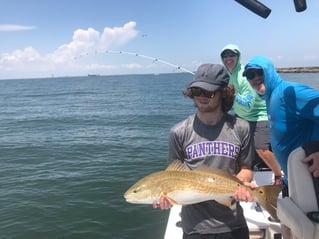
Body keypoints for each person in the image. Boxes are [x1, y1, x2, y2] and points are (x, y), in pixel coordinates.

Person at [153, 64, 255, 239]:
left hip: (233, 224)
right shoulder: (179, 132)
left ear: (223, 93)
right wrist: (166, 198)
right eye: (196, 91)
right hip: (195, 228)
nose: (201, 97)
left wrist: (241, 183)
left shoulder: (241, 128)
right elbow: (172, 175)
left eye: (208, 92)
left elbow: (246, 168)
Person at [243, 55, 319, 186]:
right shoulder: (270, 97)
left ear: (270, 72)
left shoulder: (289, 93)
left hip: (311, 179)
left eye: (259, 72)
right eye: (250, 75)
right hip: (293, 180)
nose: (255, 78)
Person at [220, 44, 283, 185]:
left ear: (238, 56)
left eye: (232, 55)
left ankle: (278, 175)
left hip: (260, 116)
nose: (228, 58)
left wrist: (230, 93)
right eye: (225, 55)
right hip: (241, 118)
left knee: (261, 148)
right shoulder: (228, 75)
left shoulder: (244, 75)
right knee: (236, 150)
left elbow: (248, 106)